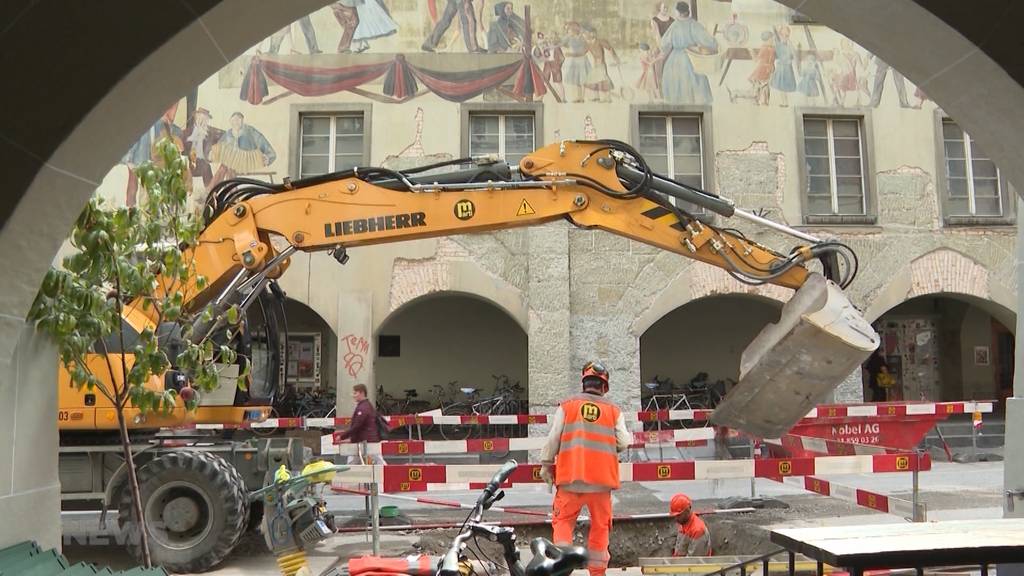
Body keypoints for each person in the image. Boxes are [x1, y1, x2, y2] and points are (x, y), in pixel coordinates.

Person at [540, 361, 631, 576]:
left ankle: (562, 569)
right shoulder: (613, 411)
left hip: (571, 481)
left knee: (563, 523)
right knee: (600, 529)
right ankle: (597, 573)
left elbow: (553, 439)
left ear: (584, 383)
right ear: (604, 387)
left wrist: (546, 464)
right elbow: (623, 442)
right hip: (601, 484)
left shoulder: (567, 406)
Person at [658, 1, 717, 105]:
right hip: (691, 57)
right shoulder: (693, 24)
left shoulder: (674, 25)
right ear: (687, 11)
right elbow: (708, 41)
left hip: (675, 59)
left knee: (677, 84)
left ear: (678, 12)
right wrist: (713, 44)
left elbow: (664, 44)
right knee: (694, 83)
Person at [335, 384, 386, 464]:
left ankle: (390, 474)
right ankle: (388, 474)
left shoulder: (362, 408)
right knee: (378, 462)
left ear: (362, 393)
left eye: (355, 393)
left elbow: (357, 426)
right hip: (367, 440)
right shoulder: (366, 406)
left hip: (366, 442)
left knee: (353, 463)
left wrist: (342, 436)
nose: (353, 395)